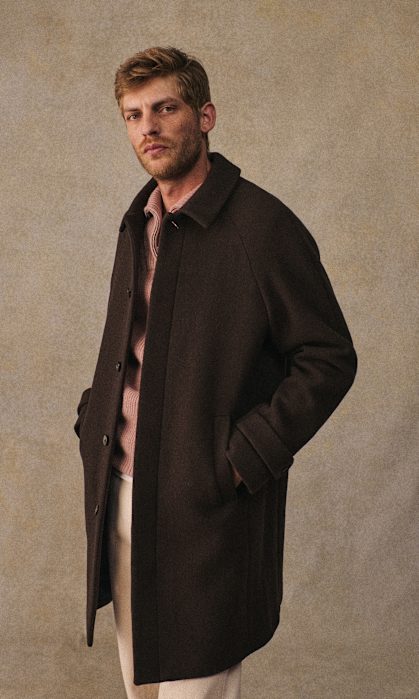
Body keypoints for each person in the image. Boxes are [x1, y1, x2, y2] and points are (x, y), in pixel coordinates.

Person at [74, 46, 357, 698]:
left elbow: (328, 356)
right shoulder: (139, 220)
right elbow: (134, 346)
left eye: (165, 109)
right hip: (120, 495)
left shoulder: (261, 227)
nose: (148, 127)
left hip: (204, 511)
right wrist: (95, 419)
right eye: (133, 114)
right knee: (140, 690)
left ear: (205, 116)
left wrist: (241, 458)